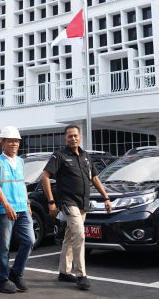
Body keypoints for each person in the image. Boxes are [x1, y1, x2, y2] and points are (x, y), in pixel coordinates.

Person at [41, 124, 112, 290]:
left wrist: (106, 198)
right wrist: (51, 201)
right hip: (68, 202)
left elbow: (94, 178)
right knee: (80, 234)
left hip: (83, 203)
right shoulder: (59, 156)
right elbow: (45, 177)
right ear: (65, 139)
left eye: (76, 136)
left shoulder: (86, 156)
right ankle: (81, 274)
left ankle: (64, 272)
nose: (73, 138)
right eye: (70, 136)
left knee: (70, 235)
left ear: (80, 138)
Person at [0, 126, 34, 294]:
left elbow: (22, 184)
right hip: (4, 210)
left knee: (29, 240)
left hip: (22, 207)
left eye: (17, 141)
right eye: (11, 141)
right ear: (3, 143)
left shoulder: (21, 161)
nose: (15, 143)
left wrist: (28, 203)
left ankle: (15, 273)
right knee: (4, 247)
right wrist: (7, 206)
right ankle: (2, 280)